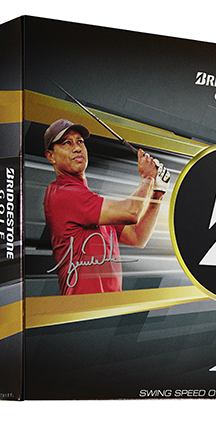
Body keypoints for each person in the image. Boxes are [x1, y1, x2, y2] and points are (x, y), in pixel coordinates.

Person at [43, 118, 170, 295]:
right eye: (67, 143)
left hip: (110, 306)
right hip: (82, 308)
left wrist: (157, 194)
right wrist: (148, 178)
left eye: (80, 141)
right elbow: (131, 212)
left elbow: (137, 237)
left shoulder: (94, 206)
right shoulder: (62, 194)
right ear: (51, 156)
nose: (77, 148)